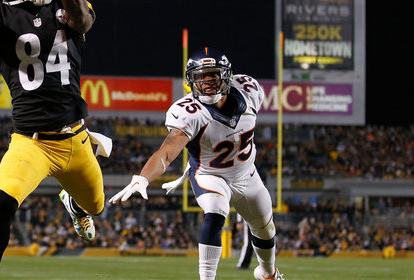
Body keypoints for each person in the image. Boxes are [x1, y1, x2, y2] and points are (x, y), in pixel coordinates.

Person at [0, 0, 109, 280]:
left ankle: (75, 206)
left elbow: (84, 17)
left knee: (96, 205)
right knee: (3, 202)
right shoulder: (1, 16)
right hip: (31, 144)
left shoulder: (65, 5)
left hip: (76, 139)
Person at [109, 47, 284, 280]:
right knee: (215, 210)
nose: (207, 82)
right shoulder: (189, 111)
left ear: (226, 75)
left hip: (246, 174)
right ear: (191, 81)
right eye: (200, 77)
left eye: (212, 74)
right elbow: (168, 150)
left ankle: (268, 273)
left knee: (264, 229)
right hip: (210, 174)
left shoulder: (249, 90)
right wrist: (143, 177)